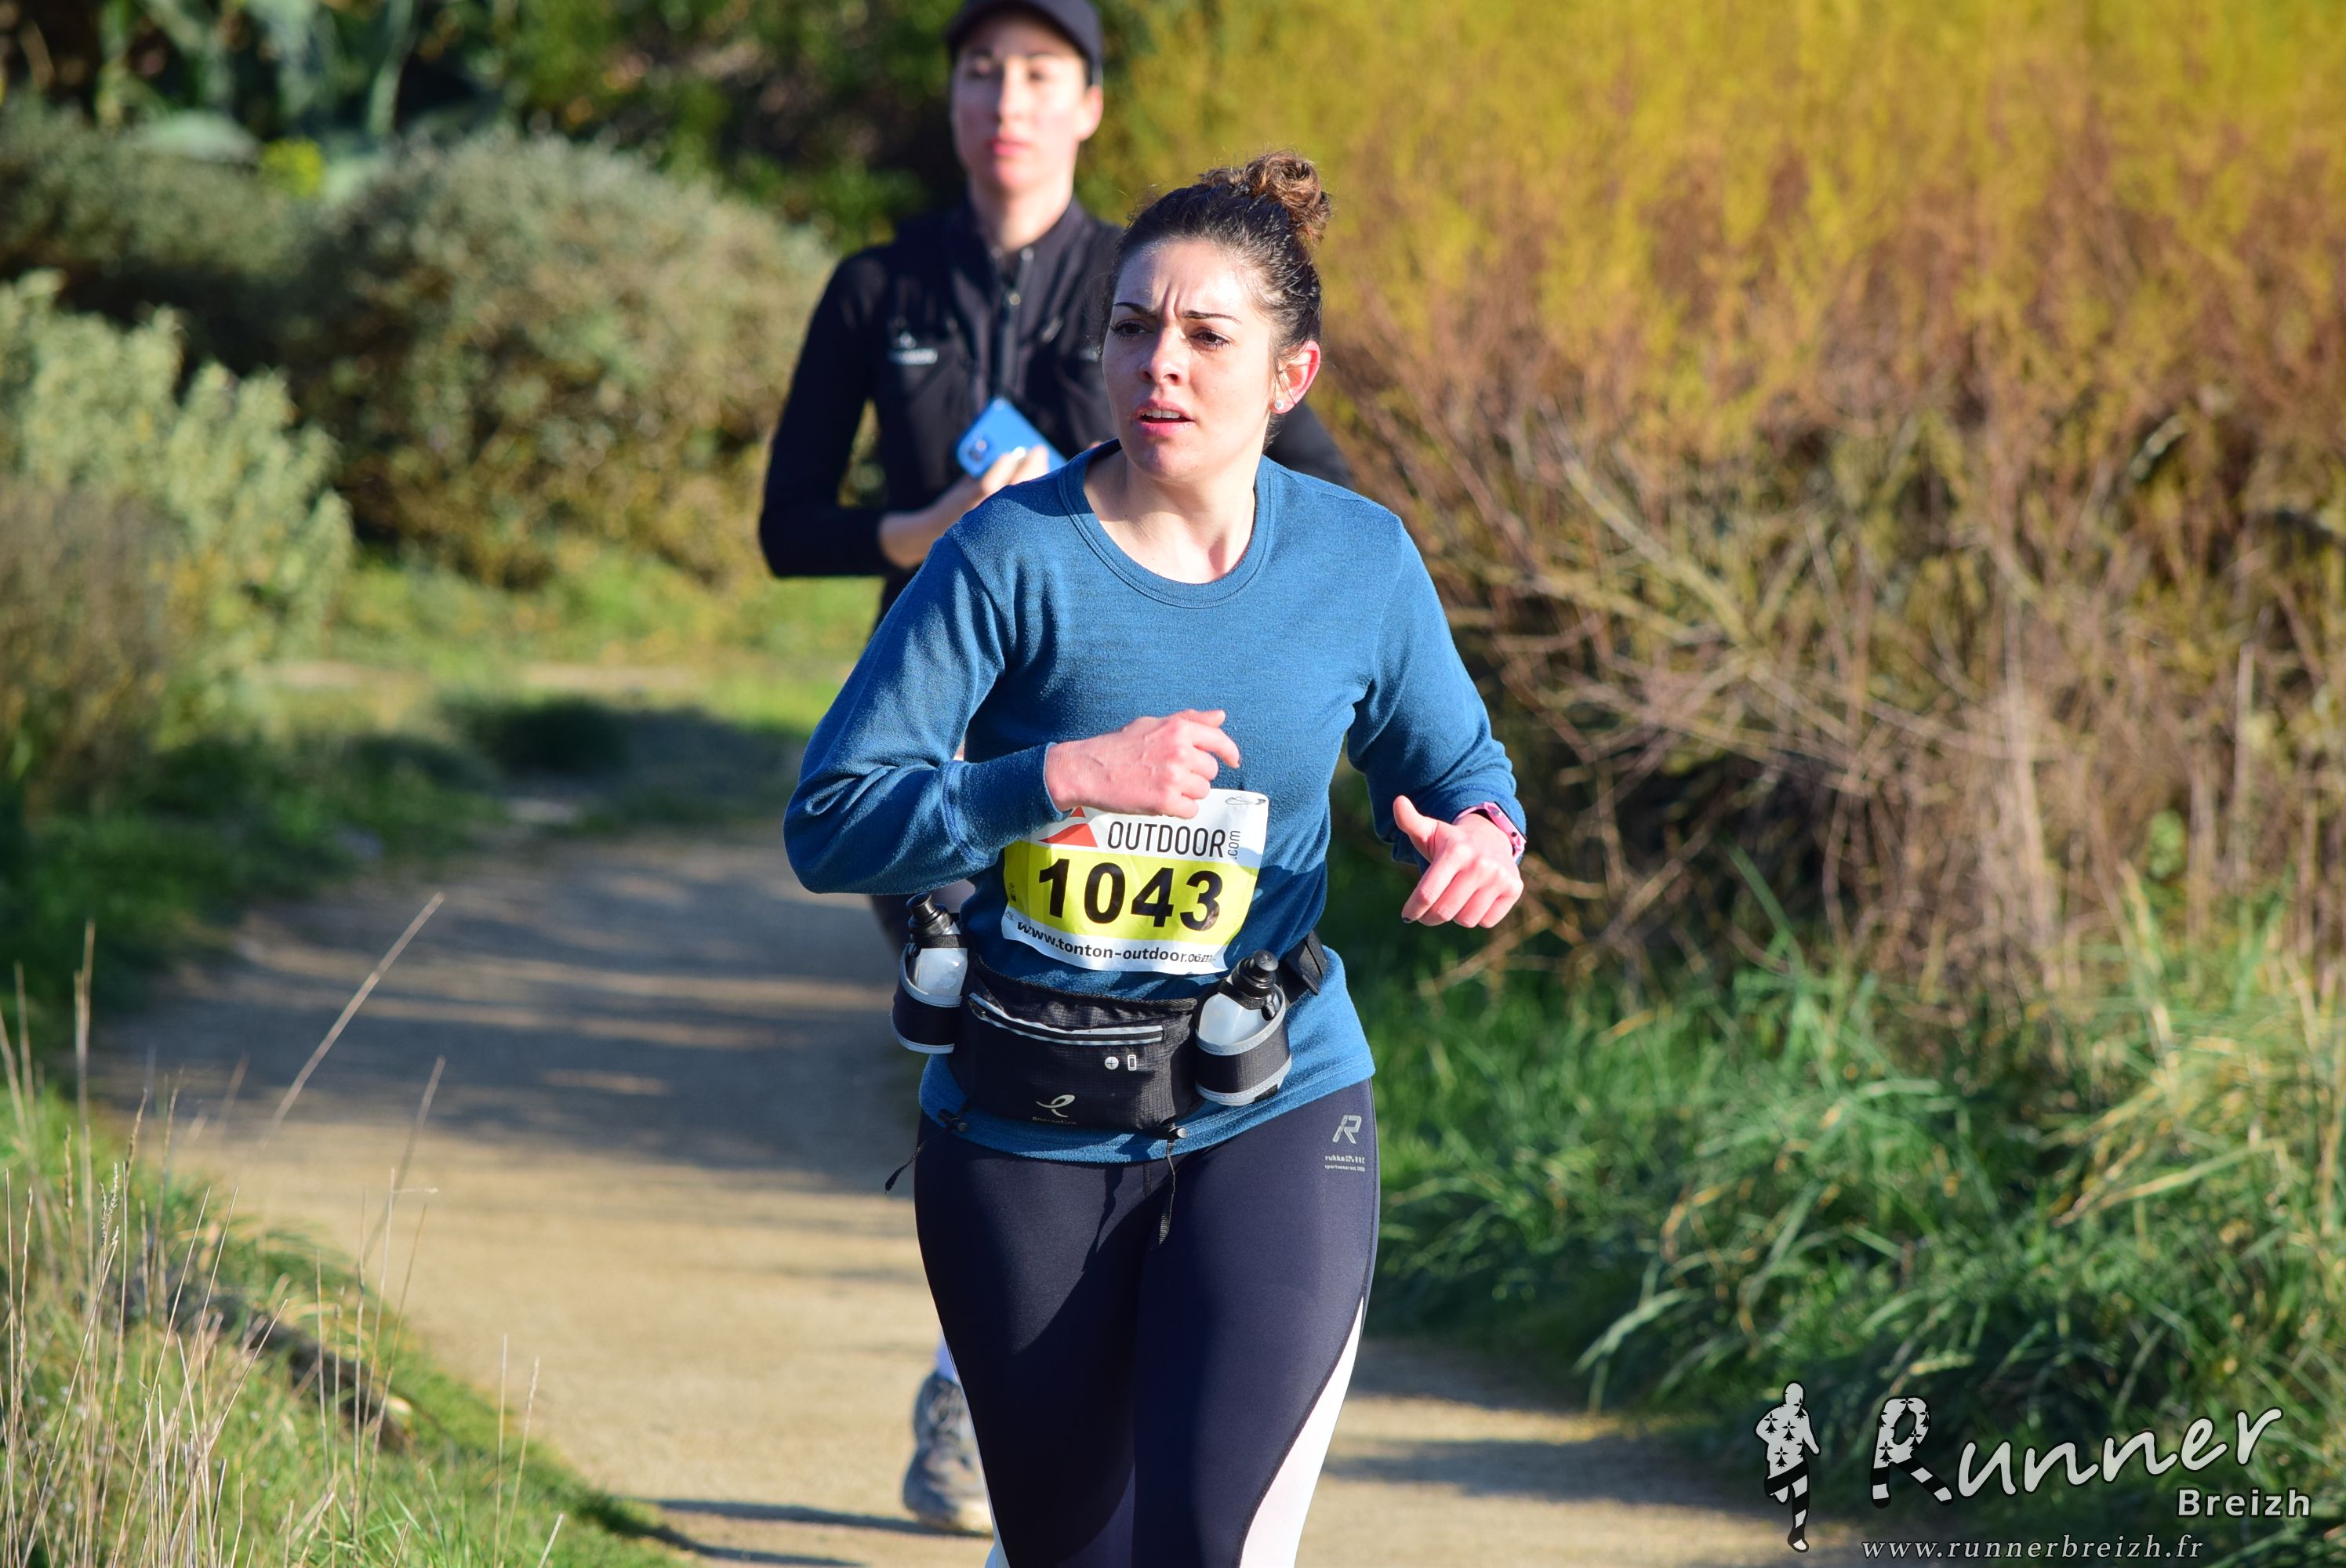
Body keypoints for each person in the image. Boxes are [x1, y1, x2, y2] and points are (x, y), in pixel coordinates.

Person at [783, 149, 1527, 1566]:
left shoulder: (1359, 562)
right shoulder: (1008, 556)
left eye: (1204, 335)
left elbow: (1455, 772)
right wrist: (1054, 780)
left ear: (1292, 376)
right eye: (1132, 327)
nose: (1158, 364)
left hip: (1274, 1098)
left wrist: (1480, 837)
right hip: (1024, 1122)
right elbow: (832, 817)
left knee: (1206, 1546)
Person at [755, 0, 1354, 1534]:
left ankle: (1153, 1368)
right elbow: (788, 527)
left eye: (1039, 74)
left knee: (1131, 1036)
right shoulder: (880, 286)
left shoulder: (1145, 284)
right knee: (1011, 1048)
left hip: (1153, 753)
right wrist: (925, 534)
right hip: (942, 744)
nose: (1005, 102)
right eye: (979, 72)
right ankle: (1002, 1374)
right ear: (950, 97)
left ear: (1089, 104)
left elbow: (1308, 490)